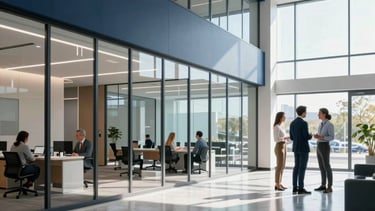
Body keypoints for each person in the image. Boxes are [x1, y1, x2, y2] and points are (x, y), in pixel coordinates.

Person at [289, 106, 312, 194]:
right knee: (302, 168)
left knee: (296, 167)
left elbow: (291, 137)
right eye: (306, 112)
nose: (306, 114)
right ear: (303, 113)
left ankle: (295, 187)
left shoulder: (292, 123)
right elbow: (306, 136)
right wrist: (310, 135)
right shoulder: (304, 123)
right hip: (303, 149)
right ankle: (301, 188)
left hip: (296, 148)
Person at [314, 108, 334, 193]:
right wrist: (317, 136)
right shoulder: (320, 124)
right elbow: (321, 135)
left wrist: (321, 137)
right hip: (319, 145)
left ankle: (329, 187)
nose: (318, 115)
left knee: (327, 166)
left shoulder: (329, 124)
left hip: (325, 146)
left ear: (324, 114)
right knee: (321, 167)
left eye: (319, 113)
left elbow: (332, 137)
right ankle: (323, 185)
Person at [273, 112, 290, 191]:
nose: (285, 117)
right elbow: (276, 139)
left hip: (284, 146)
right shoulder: (276, 127)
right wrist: (285, 138)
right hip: (279, 146)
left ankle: (279, 183)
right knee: (279, 166)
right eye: (284, 116)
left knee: (283, 166)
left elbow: (282, 137)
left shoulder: (281, 126)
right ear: (280, 117)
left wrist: (285, 138)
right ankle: (277, 184)